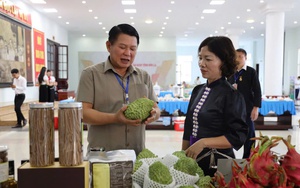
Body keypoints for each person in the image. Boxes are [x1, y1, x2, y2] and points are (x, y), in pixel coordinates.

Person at [76, 23, 161, 156]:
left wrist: (154, 114)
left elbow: (155, 107)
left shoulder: (143, 76)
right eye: (122, 47)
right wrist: (115, 118)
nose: (128, 53)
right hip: (102, 157)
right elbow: (83, 113)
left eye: (133, 49)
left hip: (136, 155)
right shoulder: (91, 74)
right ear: (109, 46)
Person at [181, 36, 248, 177]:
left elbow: (237, 136)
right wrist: (183, 156)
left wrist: (204, 142)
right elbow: (188, 126)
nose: (201, 63)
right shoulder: (197, 90)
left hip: (219, 164)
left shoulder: (232, 95)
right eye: (200, 58)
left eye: (208, 59)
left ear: (223, 62)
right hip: (195, 161)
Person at [228, 48, 262, 159]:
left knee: (249, 134)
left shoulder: (251, 72)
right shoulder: (230, 72)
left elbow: (257, 90)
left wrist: (255, 108)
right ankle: (228, 157)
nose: (237, 59)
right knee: (230, 133)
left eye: (240, 57)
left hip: (247, 108)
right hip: (232, 109)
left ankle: (248, 158)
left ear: (245, 58)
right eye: (236, 56)